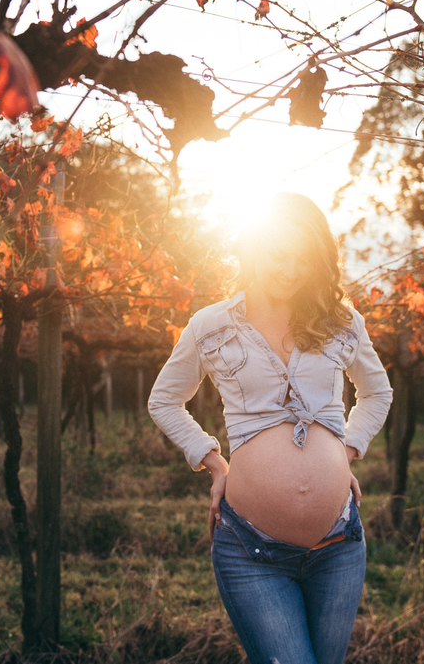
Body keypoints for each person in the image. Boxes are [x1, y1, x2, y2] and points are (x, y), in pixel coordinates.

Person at [148, 193, 392, 664]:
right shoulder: (212, 325)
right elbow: (165, 400)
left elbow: (377, 393)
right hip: (250, 549)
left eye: (303, 259)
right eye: (279, 254)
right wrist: (214, 462)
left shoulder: (340, 321)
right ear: (253, 247)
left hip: (339, 546)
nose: (289, 269)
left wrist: (343, 454)